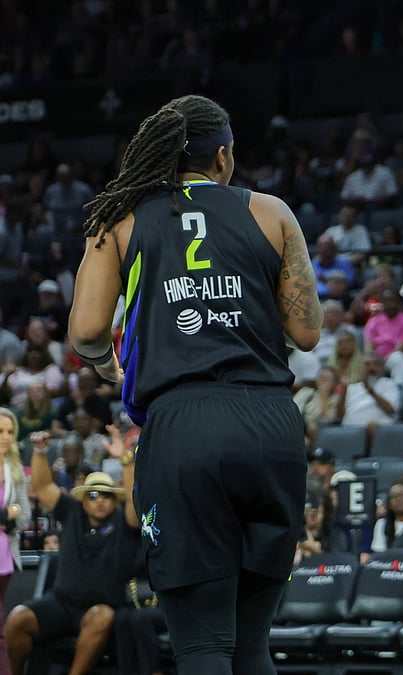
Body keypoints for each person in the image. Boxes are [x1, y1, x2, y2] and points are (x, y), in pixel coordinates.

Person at [67, 95, 322, 675]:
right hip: (270, 423)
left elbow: (85, 332)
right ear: (224, 157)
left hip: (185, 427)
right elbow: (306, 332)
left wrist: (112, 368)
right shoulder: (271, 211)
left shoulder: (121, 219)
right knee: (253, 642)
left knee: (204, 644)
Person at [7, 428, 139, 675]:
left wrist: (126, 460)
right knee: (18, 618)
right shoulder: (72, 512)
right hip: (61, 603)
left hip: (100, 606)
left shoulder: (125, 522)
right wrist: (39, 451)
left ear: (114, 500)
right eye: (93, 494)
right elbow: (43, 485)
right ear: (84, 499)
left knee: (102, 616)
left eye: (106, 495)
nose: (99, 499)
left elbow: (134, 503)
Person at [0, 410, 31, 675]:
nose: (6, 437)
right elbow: (10, 512)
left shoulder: (15, 469)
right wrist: (4, 514)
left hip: (4, 558)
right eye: (0, 431)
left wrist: (11, 516)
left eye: (10, 432)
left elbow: (24, 517)